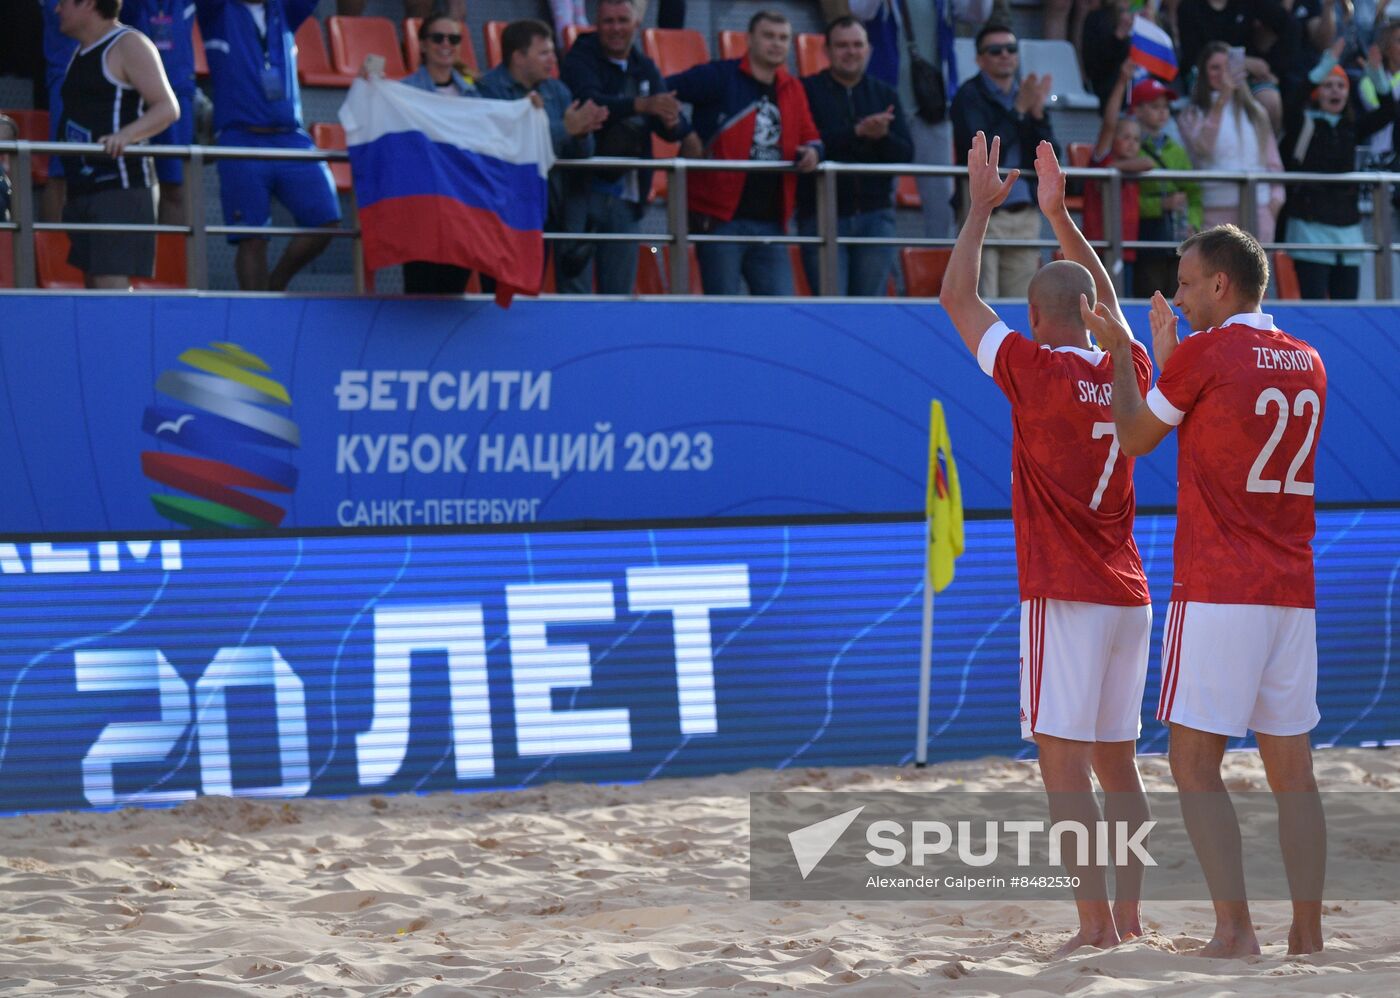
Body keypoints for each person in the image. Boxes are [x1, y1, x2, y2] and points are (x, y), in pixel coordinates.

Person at [1082, 224, 1327, 958]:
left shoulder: (1204, 353)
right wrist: (1171, 359)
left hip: (1219, 586)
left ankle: (1235, 930)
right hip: (1292, 588)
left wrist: (1127, 355)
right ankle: (1308, 936)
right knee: (1295, 774)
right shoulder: (1307, 359)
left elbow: (1131, 435)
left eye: (1187, 284)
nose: (1180, 297)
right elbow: (1219, 413)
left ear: (1222, 284)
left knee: (1193, 765)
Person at [941, 132, 1157, 957]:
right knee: (1121, 767)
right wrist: (1063, 217)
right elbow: (1105, 302)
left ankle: (1094, 928)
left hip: (1064, 591)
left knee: (1064, 767)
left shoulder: (1033, 369)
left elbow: (958, 300)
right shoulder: (1128, 360)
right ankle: (1130, 923)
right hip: (1128, 590)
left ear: (1034, 318)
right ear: (1096, 319)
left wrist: (979, 210)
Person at [665, 9, 822, 296]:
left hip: (772, 224)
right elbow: (662, 92)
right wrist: (684, 133)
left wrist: (813, 151)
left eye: (783, 38)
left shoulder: (793, 88)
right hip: (721, 221)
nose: (776, 44)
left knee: (780, 314)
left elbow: (811, 135)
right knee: (722, 314)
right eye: (768, 36)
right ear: (749, 39)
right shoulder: (719, 75)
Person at [196, 0, 341, 291]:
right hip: (240, 137)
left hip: (290, 137)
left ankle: (275, 287)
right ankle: (256, 314)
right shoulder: (217, 10)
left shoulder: (284, 9)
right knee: (252, 238)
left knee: (327, 220)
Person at [559, 0, 691, 295]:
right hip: (582, 190)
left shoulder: (643, 65)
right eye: (608, 21)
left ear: (636, 25)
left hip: (627, 194)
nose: (616, 28)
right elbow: (591, 103)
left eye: (622, 21)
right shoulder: (580, 56)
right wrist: (643, 105)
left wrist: (672, 121)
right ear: (597, 25)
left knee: (619, 295)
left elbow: (672, 124)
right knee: (573, 291)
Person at [56, 0, 179, 288]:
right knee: (93, 288)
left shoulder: (129, 44)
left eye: (63, 3)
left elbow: (167, 107)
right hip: (85, 188)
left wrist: (127, 135)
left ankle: (127, 335)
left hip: (120, 186)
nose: (56, 10)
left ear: (87, 4)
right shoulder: (81, 51)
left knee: (110, 289)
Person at [478, 18, 607, 291]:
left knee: (533, 290)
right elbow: (505, 146)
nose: (553, 59)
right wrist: (566, 129)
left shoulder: (556, 90)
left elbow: (580, 156)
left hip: (549, 208)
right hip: (504, 214)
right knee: (502, 292)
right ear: (518, 57)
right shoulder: (487, 90)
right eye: (544, 53)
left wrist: (582, 134)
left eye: (552, 51)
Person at [797, 16, 912, 296]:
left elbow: (906, 154)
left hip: (875, 216)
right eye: (842, 45)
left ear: (868, 50)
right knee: (829, 309)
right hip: (822, 215)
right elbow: (802, 145)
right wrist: (857, 132)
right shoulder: (805, 90)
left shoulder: (885, 93)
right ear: (827, 51)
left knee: (868, 310)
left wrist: (881, 136)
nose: (851, 51)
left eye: (857, 45)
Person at [950, 24, 1057, 298]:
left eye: (1010, 49)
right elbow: (983, 149)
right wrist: (1019, 111)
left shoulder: (1025, 95)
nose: (1004, 55)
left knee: (1021, 305)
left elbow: (1051, 154)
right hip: (985, 214)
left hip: (1024, 215)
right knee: (984, 303)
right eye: (995, 50)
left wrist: (1037, 115)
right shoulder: (968, 96)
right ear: (979, 59)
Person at [1280, 45, 1394, 298]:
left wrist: (1376, 76)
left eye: (1340, 85)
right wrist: (1322, 68)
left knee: (1348, 306)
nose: (1335, 91)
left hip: (1348, 231)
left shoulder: (1351, 127)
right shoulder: (1303, 123)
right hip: (1309, 229)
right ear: (1317, 92)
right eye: (1328, 85)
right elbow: (1292, 103)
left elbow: (1389, 111)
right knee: (1316, 310)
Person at [398, 9, 479, 295]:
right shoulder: (401, 91)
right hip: (422, 209)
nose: (446, 44)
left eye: (454, 39)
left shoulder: (473, 94)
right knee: (420, 293)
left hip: (461, 209)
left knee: (453, 295)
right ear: (421, 44)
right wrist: (366, 88)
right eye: (438, 38)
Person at [1178, 41, 1285, 248]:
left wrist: (1275, 202)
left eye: (1227, 67)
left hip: (1258, 209)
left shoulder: (1256, 112)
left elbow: (1273, 163)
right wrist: (1221, 101)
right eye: (1215, 68)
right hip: (1214, 210)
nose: (1222, 74)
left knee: (1256, 279)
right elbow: (1203, 149)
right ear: (1204, 73)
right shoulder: (1191, 114)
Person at [120, 0, 197, 225]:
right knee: (126, 189)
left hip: (178, 93)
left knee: (175, 188)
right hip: (128, 93)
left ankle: (171, 260)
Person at [1081, 62, 1154, 293]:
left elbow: (1148, 162)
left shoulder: (1122, 165)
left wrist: (1117, 167)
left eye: (1136, 139)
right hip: (1099, 250)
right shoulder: (1101, 160)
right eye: (1125, 137)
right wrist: (1122, 82)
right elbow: (1110, 123)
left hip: (1126, 249)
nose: (1132, 143)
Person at [1133, 76, 1203, 298]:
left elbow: (1194, 194)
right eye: (1155, 107)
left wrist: (1193, 224)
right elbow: (1124, 200)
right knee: (1149, 293)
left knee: (1178, 293)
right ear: (1137, 110)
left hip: (1177, 235)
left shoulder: (1176, 150)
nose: (1162, 112)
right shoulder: (1129, 147)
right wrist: (1160, 204)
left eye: (1165, 107)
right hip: (1145, 236)